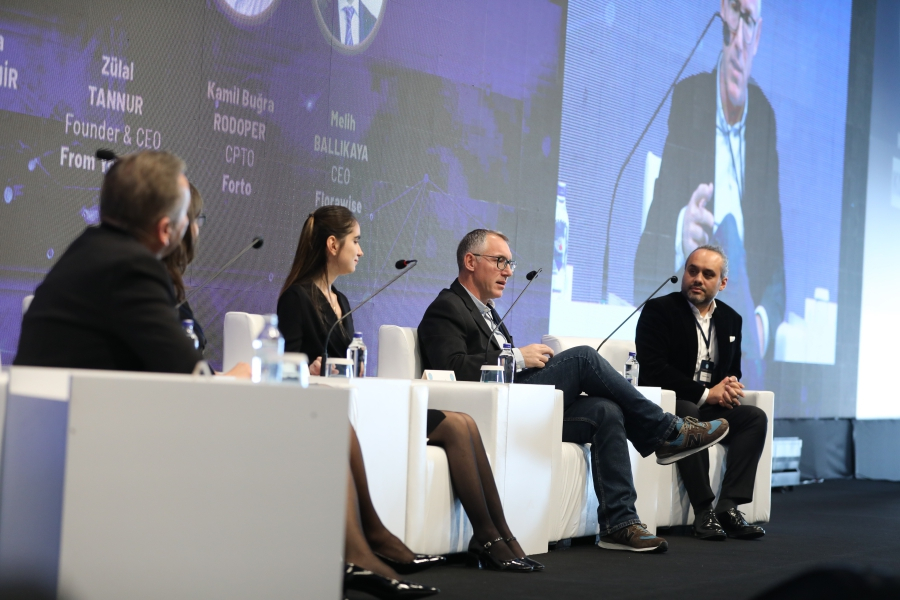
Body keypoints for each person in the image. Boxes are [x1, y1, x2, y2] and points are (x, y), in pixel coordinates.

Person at [417, 228, 731, 553]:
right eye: (500, 261)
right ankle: (668, 431)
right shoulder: (447, 307)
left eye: (509, 263)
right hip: (486, 414)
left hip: (516, 403)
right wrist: (517, 357)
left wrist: (523, 362)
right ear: (470, 261)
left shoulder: (487, 311)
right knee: (583, 358)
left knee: (606, 411)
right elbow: (450, 368)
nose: (508, 271)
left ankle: (619, 524)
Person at [277, 207, 539, 573]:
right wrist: (309, 368)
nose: (361, 250)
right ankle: (488, 537)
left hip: (357, 401)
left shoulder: (342, 300)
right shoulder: (296, 297)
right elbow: (284, 365)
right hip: (327, 411)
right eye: (356, 241)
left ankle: (500, 534)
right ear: (332, 245)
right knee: (454, 424)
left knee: (464, 421)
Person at [634, 0, 784, 385]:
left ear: (758, 35)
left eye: (748, 20)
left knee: (751, 411)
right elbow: (644, 257)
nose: (738, 36)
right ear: (720, 13)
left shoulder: (764, 118)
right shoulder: (690, 99)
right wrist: (681, 230)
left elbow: (776, 268)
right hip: (688, 326)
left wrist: (758, 327)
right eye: (734, 13)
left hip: (737, 331)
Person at [16, 151, 206, 373]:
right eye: (185, 216)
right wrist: (233, 377)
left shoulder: (88, 248)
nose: (190, 225)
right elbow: (187, 371)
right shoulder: (133, 268)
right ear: (165, 230)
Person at [636, 245, 767, 540]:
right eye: (692, 271)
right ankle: (704, 510)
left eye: (708, 274)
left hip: (707, 405)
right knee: (689, 411)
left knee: (754, 418)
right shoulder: (660, 310)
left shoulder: (732, 319)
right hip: (670, 404)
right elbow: (654, 369)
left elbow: (732, 369)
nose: (697, 279)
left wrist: (730, 386)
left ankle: (729, 507)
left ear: (722, 283)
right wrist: (707, 394)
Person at [163, 182, 208, 353]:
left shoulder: (166, 280)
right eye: (196, 219)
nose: (197, 230)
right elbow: (182, 357)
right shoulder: (149, 281)